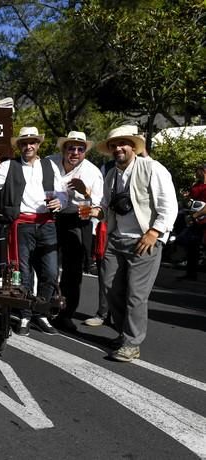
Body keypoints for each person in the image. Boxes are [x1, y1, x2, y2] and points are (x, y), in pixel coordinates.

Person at [90, 125, 178, 362]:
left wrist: (155, 231)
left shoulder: (153, 168)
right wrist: (96, 210)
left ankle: (132, 343)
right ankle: (124, 333)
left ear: (133, 147)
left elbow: (168, 205)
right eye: (113, 145)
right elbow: (106, 206)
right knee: (109, 289)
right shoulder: (111, 174)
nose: (118, 148)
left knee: (136, 295)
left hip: (144, 240)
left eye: (123, 144)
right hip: (117, 239)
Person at [0, 126, 67, 336]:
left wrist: (59, 202)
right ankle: (26, 314)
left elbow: (63, 193)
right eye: (24, 143)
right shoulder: (10, 165)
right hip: (22, 224)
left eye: (32, 142)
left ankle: (42, 313)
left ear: (38, 145)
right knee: (24, 273)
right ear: (19, 146)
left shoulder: (50, 166)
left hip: (46, 223)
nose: (29, 146)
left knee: (51, 271)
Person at [48, 131, 104, 332]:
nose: (75, 152)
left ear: (85, 152)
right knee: (47, 263)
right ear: (64, 149)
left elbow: (99, 206)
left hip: (78, 219)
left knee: (73, 270)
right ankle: (43, 307)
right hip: (51, 215)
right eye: (71, 148)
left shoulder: (92, 172)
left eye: (80, 149)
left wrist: (84, 192)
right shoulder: (49, 163)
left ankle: (66, 314)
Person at [175, 164, 206, 280]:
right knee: (192, 247)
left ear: (203, 171)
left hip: (202, 220)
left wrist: (196, 215)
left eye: (197, 171)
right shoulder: (196, 186)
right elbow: (191, 202)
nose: (195, 173)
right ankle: (191, 273)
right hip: (195, 221)